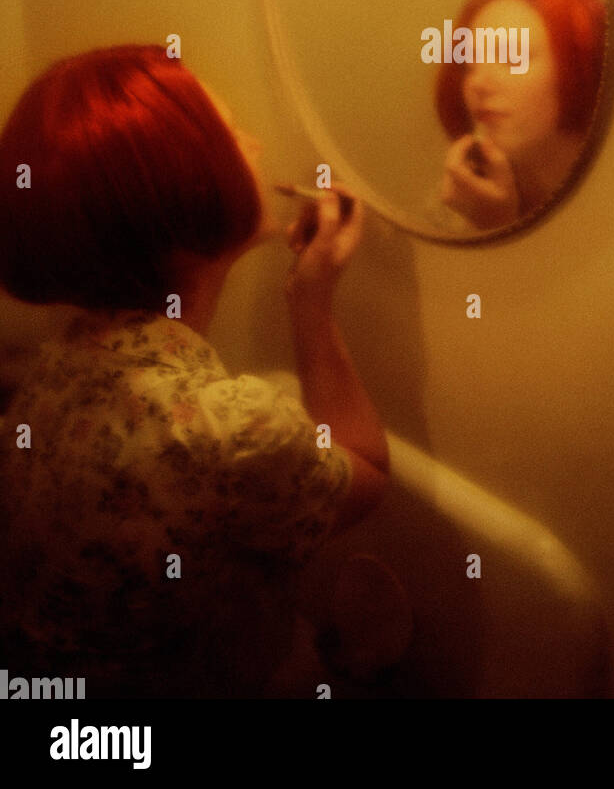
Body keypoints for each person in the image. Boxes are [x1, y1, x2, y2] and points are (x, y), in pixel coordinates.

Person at [0, 44, 388, 698]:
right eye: (232, 132)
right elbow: (367, 473)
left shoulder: (57, 361)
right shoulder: (230, 427)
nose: (257, 144)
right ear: (184, 188)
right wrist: (312, 299)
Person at [435, 0, 606, 230]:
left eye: (512, 57)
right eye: (469, 64)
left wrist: (495, 228)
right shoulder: (461, 199)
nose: (477, 83)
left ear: (576, 65)